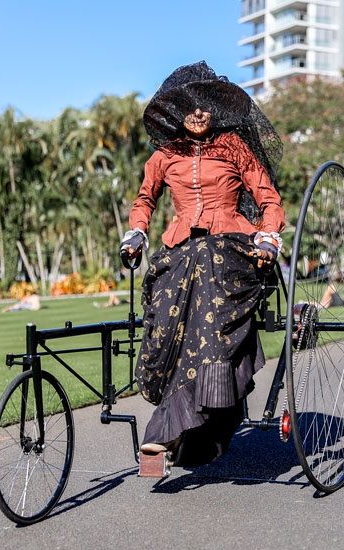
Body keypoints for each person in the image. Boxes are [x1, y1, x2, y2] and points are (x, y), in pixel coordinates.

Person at [120, 62, 284, 475]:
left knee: (207, 259)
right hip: (181, 252)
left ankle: (168, 426)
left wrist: (268, 236)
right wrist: (136, 233)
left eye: (204, 107)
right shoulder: (164, 156)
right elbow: (144, 202)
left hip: (230, 250)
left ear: (213, 109)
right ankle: (189, 421)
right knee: (179, 275)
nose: (197, 114)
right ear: (178, 111)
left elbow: (269, 200)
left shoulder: (234, 148)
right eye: (189, 107)